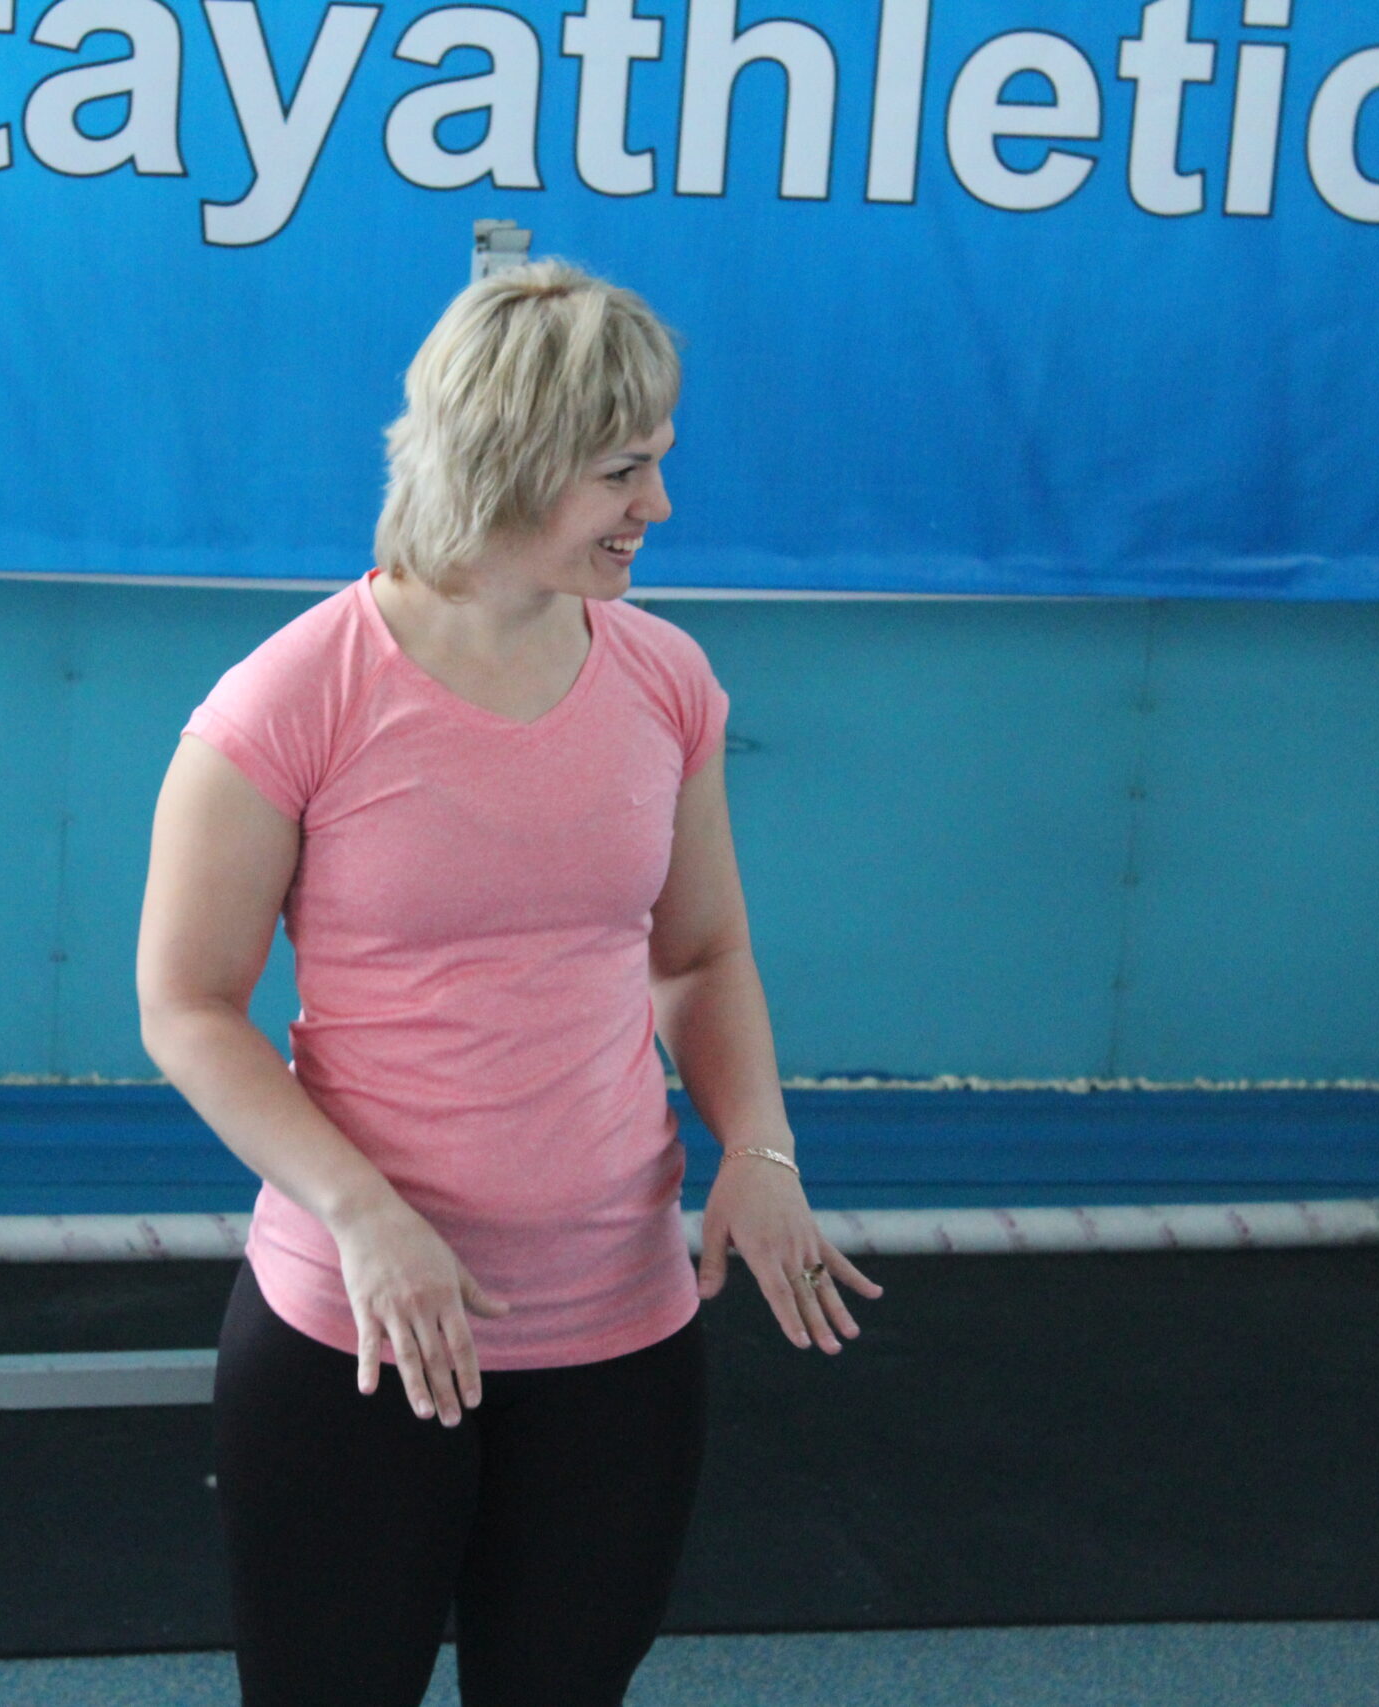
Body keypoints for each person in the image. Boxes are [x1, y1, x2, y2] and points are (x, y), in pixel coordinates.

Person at [135, 260, 881, 1707]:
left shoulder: (667, 679)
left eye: (656, 462)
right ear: (514, 460)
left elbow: (700, 954)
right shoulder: (291, 695)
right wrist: (365, 1215)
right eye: (623, 472)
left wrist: (761, 1147)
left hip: (619, 1321)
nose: (658, 506)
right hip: (362, 1326)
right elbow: (188, 1007)